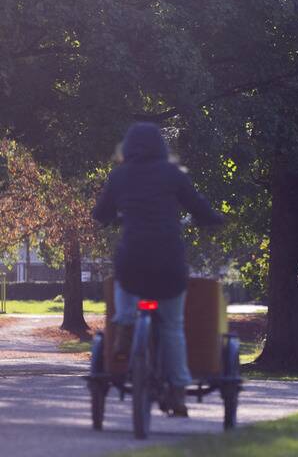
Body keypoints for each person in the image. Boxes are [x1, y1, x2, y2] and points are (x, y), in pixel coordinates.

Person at [92, 122, 224, 416]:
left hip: (133, 259)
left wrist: (109, 217)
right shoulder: (173, 174)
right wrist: (213, 219)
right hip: (168, 261)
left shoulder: (119, 176)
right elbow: (198, 206)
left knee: (124, 278)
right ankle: (178, 390)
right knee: (172, 327)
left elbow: (101, 212)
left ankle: (125, 322)